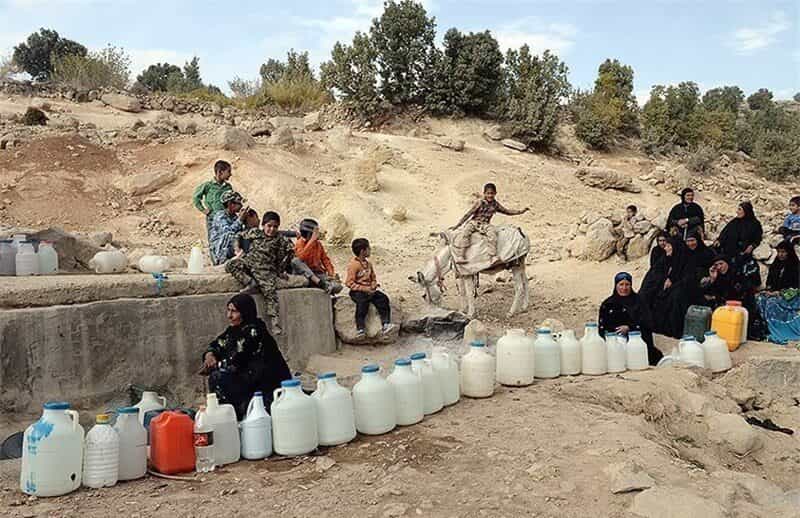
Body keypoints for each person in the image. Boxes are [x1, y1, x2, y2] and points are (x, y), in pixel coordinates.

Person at [201, 294, 291, 419]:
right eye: (228, 310)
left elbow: (238, 359)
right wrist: (210, 355)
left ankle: (230, 417)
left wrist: (216, 365)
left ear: (245, 312)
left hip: (265, 389)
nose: (229, 316)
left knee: (219, 377)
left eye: (234, 311)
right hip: (247, 382)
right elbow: (218, 344)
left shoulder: (254, 331)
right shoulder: (234, 330)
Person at [226, 211, 295, 335]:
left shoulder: (281, 239)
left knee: (270, 293)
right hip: (249, 262)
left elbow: (290, 252)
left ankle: (275, 322)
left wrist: (281, 270)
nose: (272, 229)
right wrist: (237, 250)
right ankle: (250, 283)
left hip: (265, 269)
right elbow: (237, 236)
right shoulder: (255, 233)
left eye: (275, 226)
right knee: (231, 265)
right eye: (269, 226)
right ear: (263, 225)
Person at [450, 183, 529, 265]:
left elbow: (507, 211)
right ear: (484, 193)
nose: (490, 195)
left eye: (492, 193)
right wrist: (458, 225)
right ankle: (461, 256)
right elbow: (468, 214)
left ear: (495, 193)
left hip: (485, 225)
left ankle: (492, 256)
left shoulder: (495, 204)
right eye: (488, 193)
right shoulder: (479, 203)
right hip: (474, 222)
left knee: (493, 234)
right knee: (465, 233)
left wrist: (521, 211)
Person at [599, 272, 663, 366]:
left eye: (627, 284)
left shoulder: (640, 302)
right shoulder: (608, 304)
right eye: (621, 284)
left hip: (638, 343)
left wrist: (630, 327)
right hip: (615, 345)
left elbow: (648, 322)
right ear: (615, 285)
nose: (624, 288)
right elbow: (602, 328)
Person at [345, 238, 395, 338]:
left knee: (383, 299)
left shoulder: (369, 264)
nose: (370, 250)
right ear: (363, 251)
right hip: (358, 291)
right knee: (362, 304)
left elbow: (373, 277)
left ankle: (386, 323)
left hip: (369, 290)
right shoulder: (354, 265)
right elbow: (349, 283)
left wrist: (373, 285)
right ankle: (360, 329)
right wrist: (364, 289)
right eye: (368, 248)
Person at [756, 242, 800, 344]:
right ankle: (764, 328)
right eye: (779, 252)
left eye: (783, 252)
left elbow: (796, 288)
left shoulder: (796, 267)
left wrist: (779, 293)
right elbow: (770, 283)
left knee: (772, 303)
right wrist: (768, 290)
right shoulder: (775, 265)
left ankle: (779, 330)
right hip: (775, 294)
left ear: (789, 253)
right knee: (759, 299)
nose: (781, 254)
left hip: (791, 296)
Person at [294, 218, 342, 294]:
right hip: (306, 275)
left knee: (338, 286)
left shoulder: (318, 244)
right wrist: (312, 241)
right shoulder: (300, 243)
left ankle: (323, 285)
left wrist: (331, 273)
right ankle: (319, 283)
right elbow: (300, 258)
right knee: (296, 262)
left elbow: (325, 260)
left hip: (318, 274)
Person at [193, 160, 233, 244]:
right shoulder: (208, 186)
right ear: (220, 172)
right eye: (228, 171)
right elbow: (196, 197)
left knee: (226, 239)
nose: (230, 174)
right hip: (212, 218)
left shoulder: (228, 187)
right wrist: (203, 210)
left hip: (225, 218)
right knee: (213, 240)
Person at [209, 191, 246, 265]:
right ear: (230, 204)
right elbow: (227, 232)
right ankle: (224, 260)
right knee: (230, 234)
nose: (241, 205)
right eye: (238, 203)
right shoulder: (220, 216)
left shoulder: (235, 216)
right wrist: (240, 220)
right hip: (219, 250)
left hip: (230, 247)